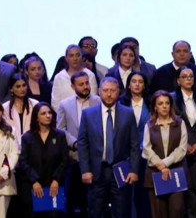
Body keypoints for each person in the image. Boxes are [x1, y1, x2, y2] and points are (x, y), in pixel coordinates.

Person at [77, 77, 140, 218]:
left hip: (121, 171)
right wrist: (85, 170)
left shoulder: (128, 113)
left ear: (119, 92)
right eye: (105, 90)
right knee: (96, 212)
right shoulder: (88, 114)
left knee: (122, 212)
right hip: (96, 172)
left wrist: (134, 170)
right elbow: (83, 144)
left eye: (113, 90)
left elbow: (134, 144)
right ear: (99, 91)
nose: (109, 94)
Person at [56, 71, 100, 218]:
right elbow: (60, 129)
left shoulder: (99, 101)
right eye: (81, 84)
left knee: (93, 200)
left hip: (95, 157)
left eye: (87, 83)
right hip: (74, 157)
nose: (85, 86)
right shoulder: (64, 104)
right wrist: (75, 143)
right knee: (73, 198)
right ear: (73, 87)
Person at [16, 102, 69, 218]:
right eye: (43, 113)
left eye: (49, 113)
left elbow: (64, 160)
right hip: (33, 186)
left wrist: (56, 179)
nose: (48, 115)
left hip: (54, 186)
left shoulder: (59, 135)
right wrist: (34, 181)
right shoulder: (27, 137)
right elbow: (23, 162)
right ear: (36, 117)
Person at [171, 67, 196, 218]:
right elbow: (171, 123)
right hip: (177, 149)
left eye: (191, 76)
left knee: (194, 188)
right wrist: (184, 144)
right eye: (184, 76)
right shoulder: (172, 98)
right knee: (178, 188)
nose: (188, 79)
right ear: (178, 80)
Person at [143, 91, 188, 218]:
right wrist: (160, 166)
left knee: (177, 210)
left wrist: (165, 163)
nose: (164, 106)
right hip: (155, 173)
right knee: (158, 212)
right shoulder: (149, 125)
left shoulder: (179, 123)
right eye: (160, 103)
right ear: (155, 107)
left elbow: (182, 148)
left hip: (176, 172)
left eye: (167, 103)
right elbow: (147, 149)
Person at [120, 72, 152, 218]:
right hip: (125, 154)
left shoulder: (151, 103)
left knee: (143, 193)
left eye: (140, 81)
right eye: (134, 81)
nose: (137, 84)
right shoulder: (121, 103)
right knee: (127, 192)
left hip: (147, 153)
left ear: (144, 85)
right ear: (128, 85)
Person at [52, 45, 98, 110]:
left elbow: (93, 99)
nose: (75, 58)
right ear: (66, 58)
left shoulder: (90, 75)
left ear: (81, 57)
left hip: (87, 114)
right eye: (71, 56)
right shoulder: (59, 77)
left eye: (77, 55)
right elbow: (55, 102)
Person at [3, 73, 39, 145]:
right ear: (11, 89)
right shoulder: (5, 107)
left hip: (32, 144)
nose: (22, 89)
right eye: (18, 86)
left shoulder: (35, 104)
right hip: (12, 144)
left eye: (24, 85)